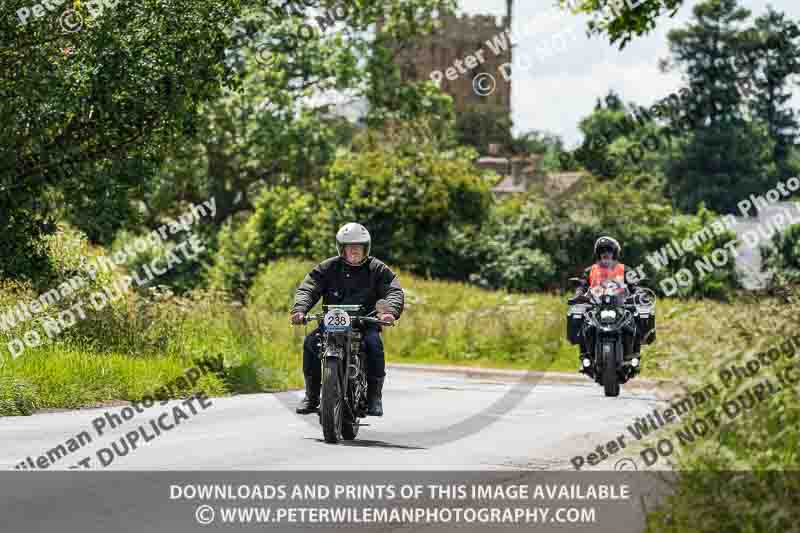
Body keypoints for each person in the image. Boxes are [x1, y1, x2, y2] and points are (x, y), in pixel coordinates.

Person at [290, 223, 404, 417]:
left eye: (358, 247)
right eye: (349, 247)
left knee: (374, 345)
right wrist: (300, 309)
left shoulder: (377, 268)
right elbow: (308, 288)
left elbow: (393, 290)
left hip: (364, 324)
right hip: (331, 324)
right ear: (341, 248)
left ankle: (374, 397)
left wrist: (389, 312)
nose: (354, 251)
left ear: (365, 248)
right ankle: (311, 396)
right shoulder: (328, 267)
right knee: (310, 343)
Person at [572, 236, 641, 369]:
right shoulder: (590, 270)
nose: (606, 253)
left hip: (620, 305)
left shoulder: (624, 269)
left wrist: (638, 293)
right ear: (598, 253)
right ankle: (585, 357)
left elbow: (635, 286)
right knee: (581, 321)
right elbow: (582, 285)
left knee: (636, 319)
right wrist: (579, 294)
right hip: (595, 307)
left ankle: (634, 356)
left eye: (609, 250)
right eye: (602, 250)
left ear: (615, 253)